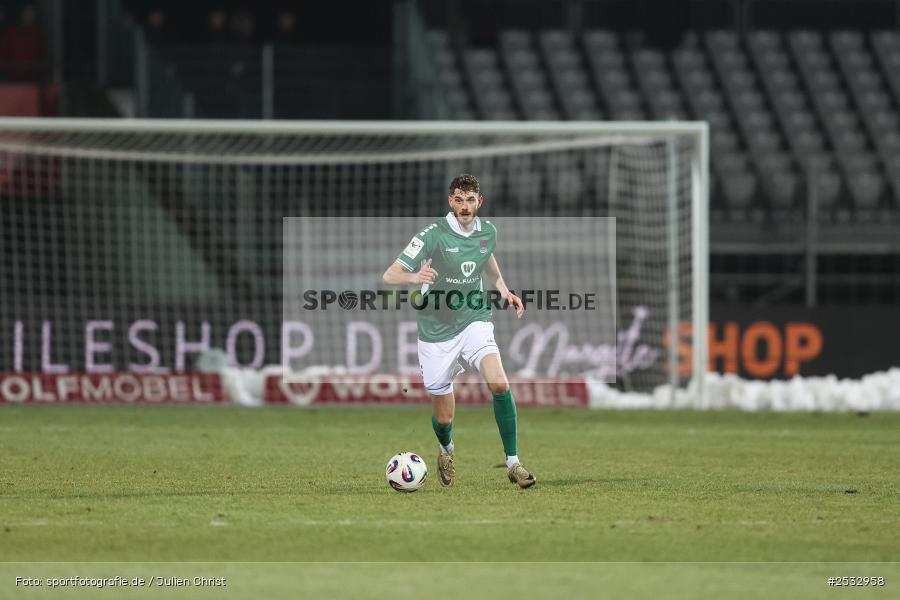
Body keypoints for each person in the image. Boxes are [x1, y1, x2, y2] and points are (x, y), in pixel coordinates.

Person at [381, 174, 536, 489]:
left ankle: (514, 463)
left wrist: (504, 289)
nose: (464, 206)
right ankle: (446, 450)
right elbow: (390, 274)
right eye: (458, 200)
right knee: (444, 419)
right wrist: (414, 278)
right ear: (450, 202)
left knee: (499, 383)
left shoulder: (488, 232)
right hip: (436, 330)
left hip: (474, 318)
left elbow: (485, 256)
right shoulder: (433, 235)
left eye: (470, 200)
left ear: (479, 202)